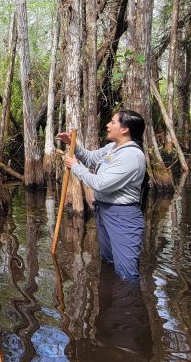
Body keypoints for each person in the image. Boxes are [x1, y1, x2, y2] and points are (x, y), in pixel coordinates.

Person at [57, 109, 147, 280]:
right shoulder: (112, 148)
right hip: (104, 211)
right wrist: (74, 146)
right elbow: (91, 158)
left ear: (124, 129)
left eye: (113, 122)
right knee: (109, 261)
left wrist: (75, 166)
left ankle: (130, 304)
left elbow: (101, 184)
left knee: (127, 273)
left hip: (123, 216)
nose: (107, 125)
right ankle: (108, 302)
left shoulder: (131, 155)